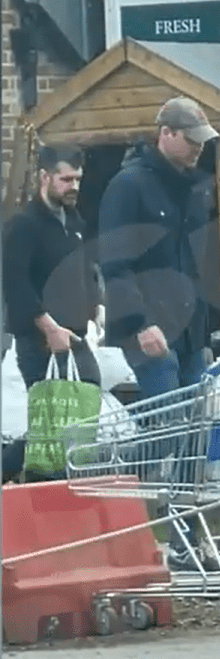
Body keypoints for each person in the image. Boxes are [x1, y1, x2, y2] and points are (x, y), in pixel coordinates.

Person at [98, 97, 220, 572]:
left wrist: (210, 326)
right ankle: (110, 480)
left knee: (195, 434)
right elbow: (115, 262)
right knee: (171, 428)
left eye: (200, 143)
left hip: (190, 329)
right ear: (166, 134)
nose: (196, 150)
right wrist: (137, 322)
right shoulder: (128, 187)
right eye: (191, 141)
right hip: (147, 329)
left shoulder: (194, 187)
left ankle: (186, 542)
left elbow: (198, 260)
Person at [2, 144, 102, 478]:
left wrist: (96, 303)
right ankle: (38, 486)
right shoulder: (24, 224)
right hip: (39, 340)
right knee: (50, 425)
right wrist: (48, 327)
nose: (74, 186)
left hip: (75, 335)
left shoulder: (74, 221)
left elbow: (84, 267)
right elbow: (15, 282)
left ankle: (52, 483)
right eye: (66, 179)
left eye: (78, 179)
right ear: (45, 178)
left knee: (81, 411)